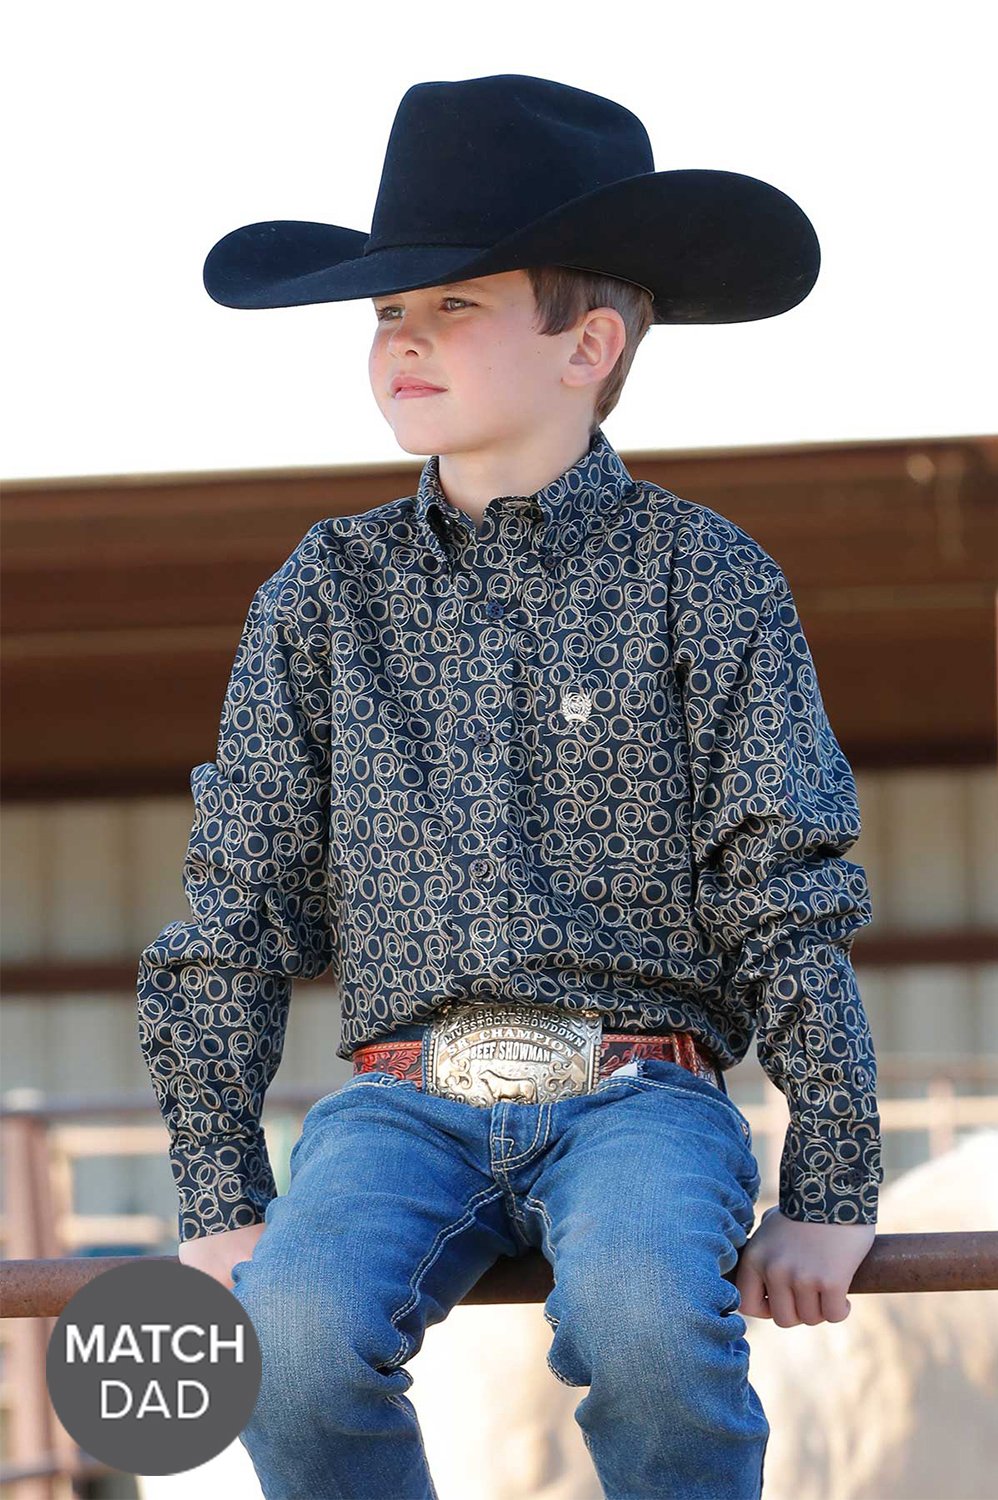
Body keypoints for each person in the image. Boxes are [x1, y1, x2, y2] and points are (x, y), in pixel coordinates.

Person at [136, 73, 884, 1500]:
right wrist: (223, 1196)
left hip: (640, 1097)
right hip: (397, 1102)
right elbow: (236, 895)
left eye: (453, 307)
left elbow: (783, 886)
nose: (401, 342)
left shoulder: (703, 577)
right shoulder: (321, 595)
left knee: (647, 1324)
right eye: (384, 316)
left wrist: (831, 1191)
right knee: (287, 1342)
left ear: (585, 344)